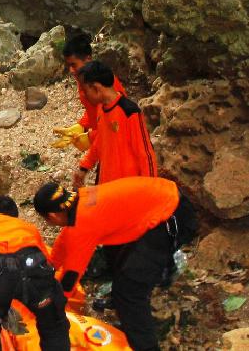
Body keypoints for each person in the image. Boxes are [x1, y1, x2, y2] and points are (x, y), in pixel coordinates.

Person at [34, 177, 196, 351]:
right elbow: (64, 241)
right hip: (165, 199)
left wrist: (51, 308)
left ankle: (146, 347)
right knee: (122, 262)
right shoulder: (83, 199)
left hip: (172, 218)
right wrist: (48, 268)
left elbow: (71, 277)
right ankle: (159, 277)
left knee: (128, 293)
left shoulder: (83, 224)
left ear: (52, 216)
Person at [0, 195, 71, 351]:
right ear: (13, 215)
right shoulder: (27, 226)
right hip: (33, 262)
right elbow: (48, 265)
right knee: (54, 326)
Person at [72, 60, 156, 190]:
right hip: (106, 185)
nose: (83, 95)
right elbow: (100, 141)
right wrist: (84, 167)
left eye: (85, 90)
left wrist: (150, 190)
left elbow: (146, 154)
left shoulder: (129, 112)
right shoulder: (101, 109)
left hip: (128, 188)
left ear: (96, 88)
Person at [53, 34, 126, 154]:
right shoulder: (83, 78)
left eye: (73, 65)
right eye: (68, 65)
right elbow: (95, 110)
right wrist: (82, 125)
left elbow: (117, 125)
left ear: (87, 59)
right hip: (105, 143)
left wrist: (91, 137)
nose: (71, 70)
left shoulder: (105, 84)